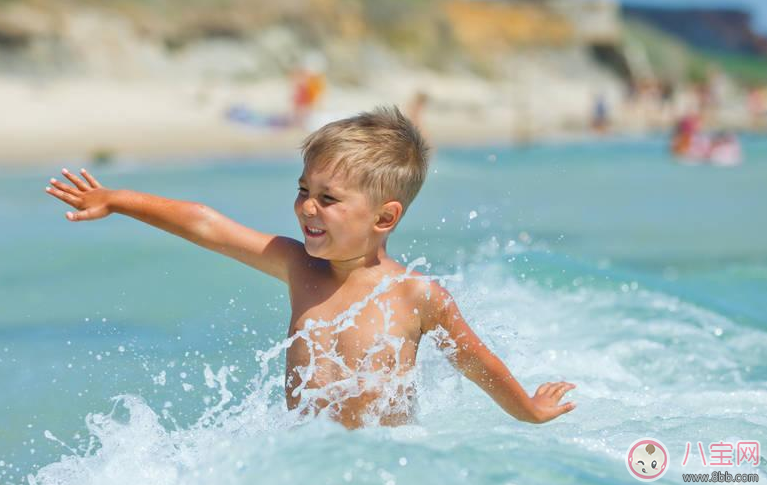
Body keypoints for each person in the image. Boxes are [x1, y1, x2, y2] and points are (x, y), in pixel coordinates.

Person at [44, 106, 576, 429]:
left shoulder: (416, 296)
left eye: (328, 198)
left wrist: (527, 409)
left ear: (384, 216)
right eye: (303, 191)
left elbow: (476, 361)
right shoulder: (298, 267)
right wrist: (117, 200)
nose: (306, 208)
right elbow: (207, 225)